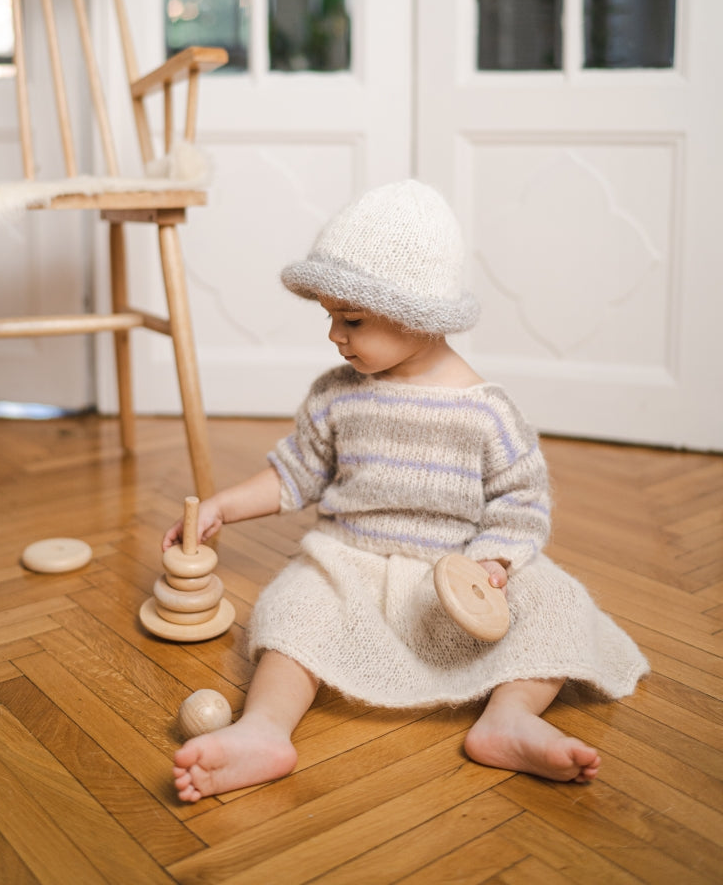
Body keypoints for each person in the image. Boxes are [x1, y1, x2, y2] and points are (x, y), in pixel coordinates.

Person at [163, 179, 648, 803]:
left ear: (418, 312)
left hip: (457, 575)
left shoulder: (486, 412)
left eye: (352, 319)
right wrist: (224, 505)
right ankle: (263, 729)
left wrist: (493, 562)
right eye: (331, 318)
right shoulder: (338, 393)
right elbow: (295, 472)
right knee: (290, 611)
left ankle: (509, 718)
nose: (335, 335)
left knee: (559, 602)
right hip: (351, 562)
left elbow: (521, 504)